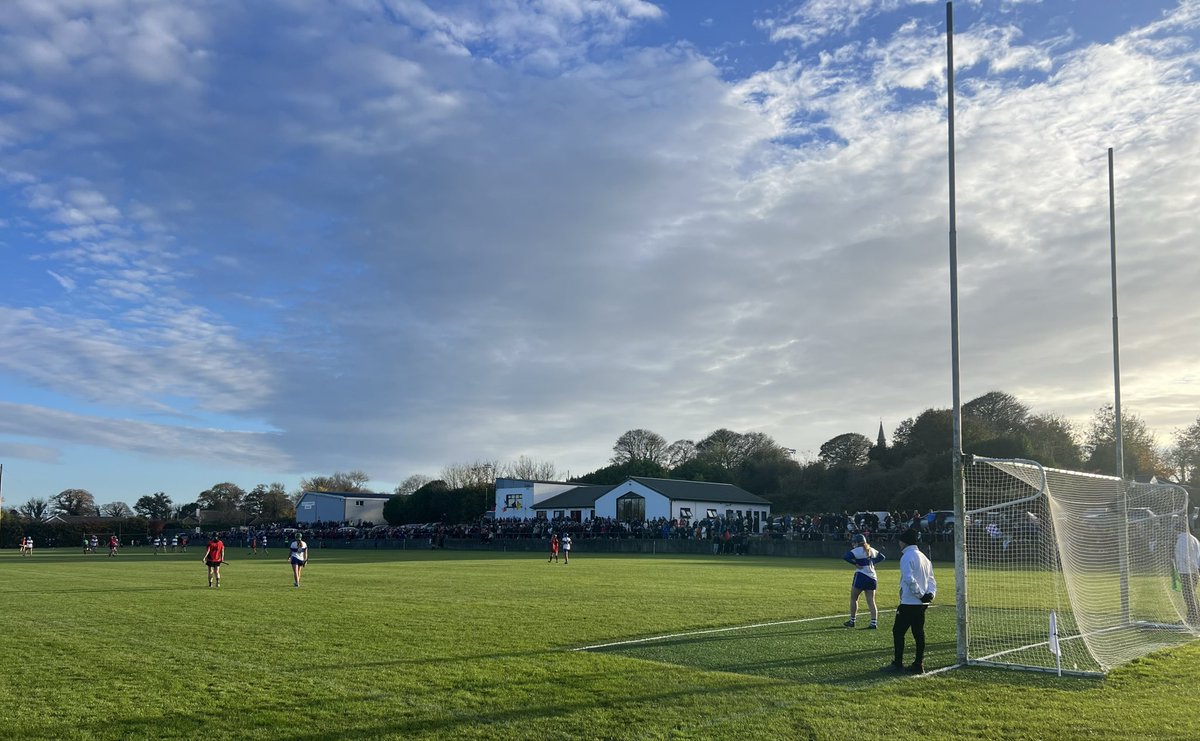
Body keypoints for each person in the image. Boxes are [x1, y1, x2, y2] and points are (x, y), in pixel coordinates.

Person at [883, 528, 936, 674]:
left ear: (904, 541)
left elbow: (909, 578)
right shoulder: (924, 557)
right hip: (922, 603)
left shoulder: (907, 556)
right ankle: (918, 663)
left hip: (909, 601)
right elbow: (931, 579)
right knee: (918, 632)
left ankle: (898, 663)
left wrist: (919, 594)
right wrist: (930, 595)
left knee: (898, 631)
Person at [843, 533, 886, 629]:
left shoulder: (856, 550)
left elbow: (846, 557)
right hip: (872, 577)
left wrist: (855, 563)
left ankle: (852, 620)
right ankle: (874, 622)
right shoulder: (871, 549)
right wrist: (872, 563)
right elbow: (882, 557)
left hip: (861, 575)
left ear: (857, 542)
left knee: (854, 598)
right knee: (871, 600)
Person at [1175, 527, 1200, 623]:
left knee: (1188, 596)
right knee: (1191, 594)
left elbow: (1186, 557)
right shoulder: (1193, 538)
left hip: (1187, 572)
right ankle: (1194, 616)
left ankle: (1193, 618)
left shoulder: (1182, 540)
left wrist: (1194, 569)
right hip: (1193, 571)